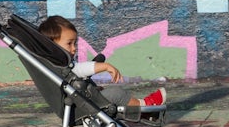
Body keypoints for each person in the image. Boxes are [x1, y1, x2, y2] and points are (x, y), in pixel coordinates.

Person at [36, 15, 166, 114]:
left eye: (75, 43)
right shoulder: (61, 65)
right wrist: (105, 66)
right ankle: (144, 107)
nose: (74, 48)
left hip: (77, 102)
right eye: (69, 43)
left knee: (105, 92)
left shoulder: (52, 64)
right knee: (117, 93)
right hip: (80, 107)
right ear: (52, 46)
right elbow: (79, 69)